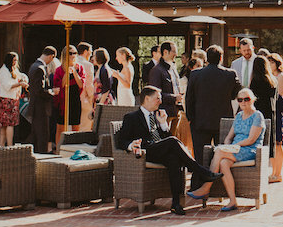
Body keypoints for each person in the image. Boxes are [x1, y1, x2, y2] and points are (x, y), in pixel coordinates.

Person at [114, 86, 220, 216]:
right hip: (145, 152)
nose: (160, 101)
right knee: (173, 141)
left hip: (159, 150)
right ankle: (200, 171)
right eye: (157, 98)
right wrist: (131, 145)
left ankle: (176, 204)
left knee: (173, 159)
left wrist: (163, 124)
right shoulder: (131, 117)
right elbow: (122, 141)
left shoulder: (157, 116)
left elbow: (166, 138)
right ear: (147, 98)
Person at [188, 88, 265, 212]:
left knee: (218, 152)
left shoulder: (257, 116)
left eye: (247, 99)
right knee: (223, 162)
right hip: (234, 150)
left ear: (253, 99)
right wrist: (227, 145)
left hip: (249, 150)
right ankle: (233, 201)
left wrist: (232, 147)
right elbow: (229, 137)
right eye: (240, 100)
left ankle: (206, 187)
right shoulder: (239, 116)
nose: (243, 102)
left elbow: (251, 140)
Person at [186, 44, 242, 154]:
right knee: (222, 153)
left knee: (200, 155)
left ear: (206, 58)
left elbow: (189, 99)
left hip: (200, 120)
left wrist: (190, 117)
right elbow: (235, 94)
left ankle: (201, 171)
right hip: (223, 120)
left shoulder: (195, 74)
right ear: (221, 58)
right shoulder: (230, 74)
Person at [53, 45, 86, 149]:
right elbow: (60, 85)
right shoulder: (59, 69)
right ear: (65, 55)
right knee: (60, 127)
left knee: (76, 126)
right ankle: (58, 149)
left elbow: (81, 84)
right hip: (63, 100)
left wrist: (74, 72)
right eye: (70, 53)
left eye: (74, 53)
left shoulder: (80, 68)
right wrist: (66, 73)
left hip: (75, 99)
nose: (72, 55)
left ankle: (75, 149)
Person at [27, 46, 58, 154]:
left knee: (37, 136)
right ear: (51, 56)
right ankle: (41, 160)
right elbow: (39, 91)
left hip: (37, 107)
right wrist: (52, 92)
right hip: (40, 108)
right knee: (42, 137)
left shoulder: (34, 66)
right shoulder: (39, 68)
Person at [266, 53, 283, 183]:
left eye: (272, 62)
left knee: (278, 142)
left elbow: (279, 96)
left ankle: (278, 173)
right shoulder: (270, 76)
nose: (270, 65)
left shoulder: (281, 76)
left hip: (279, 110)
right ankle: (273, 172)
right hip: (273, 110)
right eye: (268, 62)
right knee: (273, 143)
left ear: (277, 63)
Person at [0, 51, 28, 147]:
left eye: (16, 60)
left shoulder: (13, 70)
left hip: (11, 99)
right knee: (8, 124)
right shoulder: (3, 71)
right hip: (7, 100)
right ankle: (8, 145)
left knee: (5, 124)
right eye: (14, 60)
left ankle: (2, 145)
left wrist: (24, 79)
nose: (15, 62)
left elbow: (22, 75)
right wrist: (19, 84)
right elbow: (7, 86)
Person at [148, 41, 182, 119]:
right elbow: (155, 94)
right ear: (166, 52)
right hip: (164, 112)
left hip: (176, 110)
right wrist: (174, 98)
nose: (176, 55)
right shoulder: (156, 70)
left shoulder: (173, 68)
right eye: (174, 52)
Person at [75, 42, 96, 130]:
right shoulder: (88, 65)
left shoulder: (73, 62)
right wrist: (92, 96)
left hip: (72, 97)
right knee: (85, 123)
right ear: (85, 51)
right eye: (90, 52)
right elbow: (89, 83)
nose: (91, 54)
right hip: (84, 97)